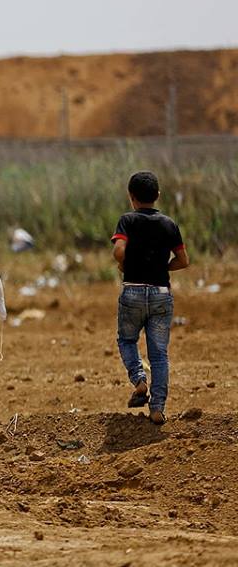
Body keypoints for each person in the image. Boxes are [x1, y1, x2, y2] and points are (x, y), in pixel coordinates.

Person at [111, 171, 189, 426]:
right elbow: (183, 260)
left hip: (133, 290)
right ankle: (157, 408)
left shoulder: (127, 220)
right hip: (160, 294)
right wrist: (159, 268)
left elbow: (118, 251)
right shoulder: (169, 224)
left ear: (131, 197)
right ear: (157, 196)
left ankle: (139, 379)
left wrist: (127, 265)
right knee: (159, 355)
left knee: (126, 339)